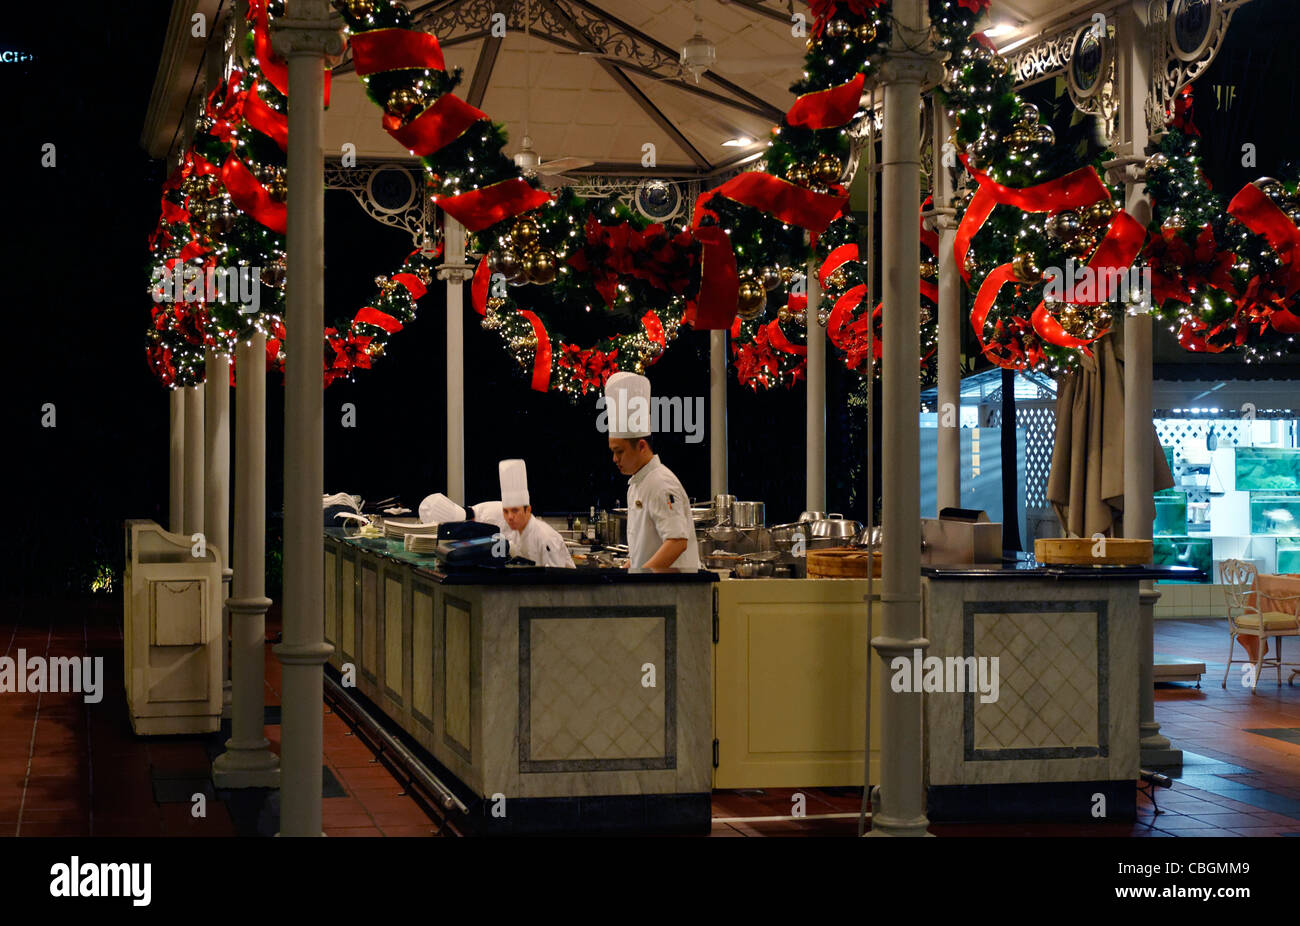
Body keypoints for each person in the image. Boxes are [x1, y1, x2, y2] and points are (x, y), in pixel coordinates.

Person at [603, 372, 701, 571]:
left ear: (641, 446)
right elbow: (644, 549)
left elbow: (677, 542)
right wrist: (628, 570)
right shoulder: (637, 483)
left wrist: (641, 578)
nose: (614, 459)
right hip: (652, 591)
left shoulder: (660, 482)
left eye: (619, 452)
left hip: (673, 594)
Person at [498, 459, 574, 568]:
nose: (510, 517)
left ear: (528, 510)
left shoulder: (545, 537)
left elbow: (556, 581)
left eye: (515, 511)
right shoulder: (515, 534)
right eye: (505, 511)